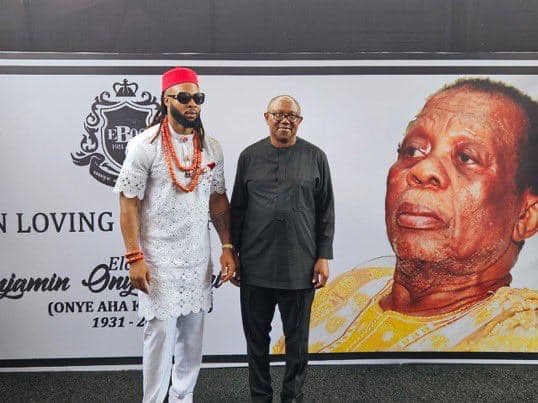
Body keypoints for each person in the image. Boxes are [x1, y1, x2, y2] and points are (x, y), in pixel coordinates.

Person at [273, 78, 538, 354]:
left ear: (526, 216)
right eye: (413, 150)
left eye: (466, 158)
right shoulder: (353, 288)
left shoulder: (520, 334)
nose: (422, 170)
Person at [114, 67, 236, 402]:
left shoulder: (211, 147)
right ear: (166, 100)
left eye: (198, 98)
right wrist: (134, 257)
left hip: (197, 258)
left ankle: (184, 398)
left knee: (192, 341)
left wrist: (227, 245)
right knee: (159, 337)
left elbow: (218, 198)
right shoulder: (145, 145)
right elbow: (128, 202)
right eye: (184, 97)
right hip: (158, 261)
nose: (192, 104)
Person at [231, 95, 335, 402]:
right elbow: (238, 209)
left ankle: (292, 398)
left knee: (297, 343)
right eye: (278, 114)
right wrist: (233, 253)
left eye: (291, 116)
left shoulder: (315, 157)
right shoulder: (249, 157)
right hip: (255, 266)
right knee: (256, 342)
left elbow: (326, 210)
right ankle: (260, 397)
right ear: (267, 117)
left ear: (300, 121)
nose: (285, 120)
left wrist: (323, 256)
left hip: (299, 267)